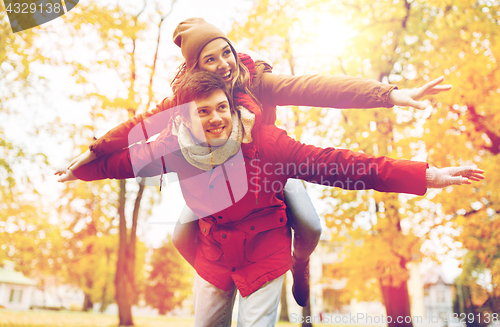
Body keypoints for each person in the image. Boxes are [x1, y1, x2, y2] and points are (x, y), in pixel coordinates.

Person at [60, 17, 453, 307]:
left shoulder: (258, 83)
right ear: (197, 68)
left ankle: (299, 263)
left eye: (226, 53)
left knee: (311, 223)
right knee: (181, 233)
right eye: (210, 60)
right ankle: (218, 274)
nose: (223, 65)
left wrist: (389, 94)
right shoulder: (190, 101)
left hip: (272, 170)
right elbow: (137, 127)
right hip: (219, 191)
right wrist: (91, 153)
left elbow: (320, 88)